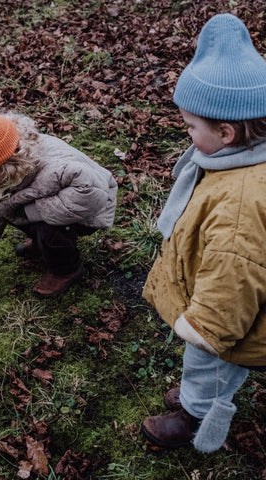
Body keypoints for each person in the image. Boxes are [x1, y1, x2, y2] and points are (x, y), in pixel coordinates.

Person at [141, 13, 266, 453]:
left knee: (209, 363)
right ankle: (202, 394)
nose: (187, 135)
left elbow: (235, 275)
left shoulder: (240, 204)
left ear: (226, 131)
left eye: (192, 127)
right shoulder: (238, 162)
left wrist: (205, 327)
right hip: (233, 299)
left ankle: (195, 415)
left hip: (233, 319)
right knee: (211, 366)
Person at [0, 108, 118, 298]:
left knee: (48, 230)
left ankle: (66, 269)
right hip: (48, 203)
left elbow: (91, 193)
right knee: (10, 208)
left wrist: (34, 212)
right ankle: (41, 244)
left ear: (7, 164)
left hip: (89, 209)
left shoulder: (54, 167)